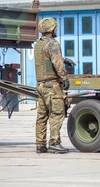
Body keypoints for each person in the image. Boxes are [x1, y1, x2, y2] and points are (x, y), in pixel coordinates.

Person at [34, 18, 69, 154]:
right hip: (52, 85)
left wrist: (64, 59)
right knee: (56, 114)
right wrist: (64, 77)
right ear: (51, 29)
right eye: (55, 27)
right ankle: (54, 142)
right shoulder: (53, 43)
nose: (56, 30)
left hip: (40, 85)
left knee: (42, 116)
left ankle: (40, 144)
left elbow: (47, 58)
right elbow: (56, 63)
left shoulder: (38, 44)